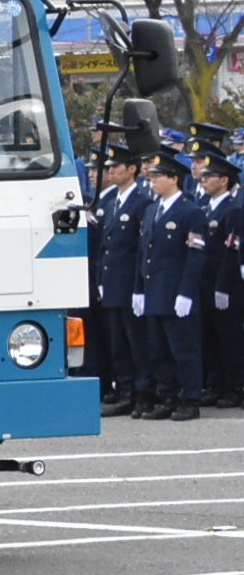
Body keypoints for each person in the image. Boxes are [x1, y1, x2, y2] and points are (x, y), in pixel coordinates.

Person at [134, 147, 207, 420]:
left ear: (173, 178)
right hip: (154, 292)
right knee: (158, 349)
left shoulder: (190, 211)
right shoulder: (153, 210)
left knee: (184, 349)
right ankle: (167, 394)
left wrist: (186, 293)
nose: (152, 181)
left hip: (176, 292)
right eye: (151, 177)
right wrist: (139, 290)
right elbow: (144, 253)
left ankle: (190, 398)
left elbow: (196, 255)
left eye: (157, 176)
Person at [94, 150, 145, 412]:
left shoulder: (141, 200)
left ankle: (138, 392)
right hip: (112, 283)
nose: (111, 172)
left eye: (117, 167)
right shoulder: (113, 200)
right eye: (110, 168)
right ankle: (124, 389)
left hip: (129, 284)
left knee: (134, 342)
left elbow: (141, 248)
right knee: (117, 343)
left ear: (132, 169)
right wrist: (102, 277)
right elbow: (106, 244)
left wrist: (139, 287)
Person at [207, 150, 244, 408]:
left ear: (224, 180)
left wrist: (222, 286)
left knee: (229, 338)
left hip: (227, 285)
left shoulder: (232, 210)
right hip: (205, 283)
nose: (204, 180)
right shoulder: (205, 208)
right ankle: (215, 383)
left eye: (211, 176)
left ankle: (233, 387)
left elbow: (231, 253)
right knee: (210, 337)